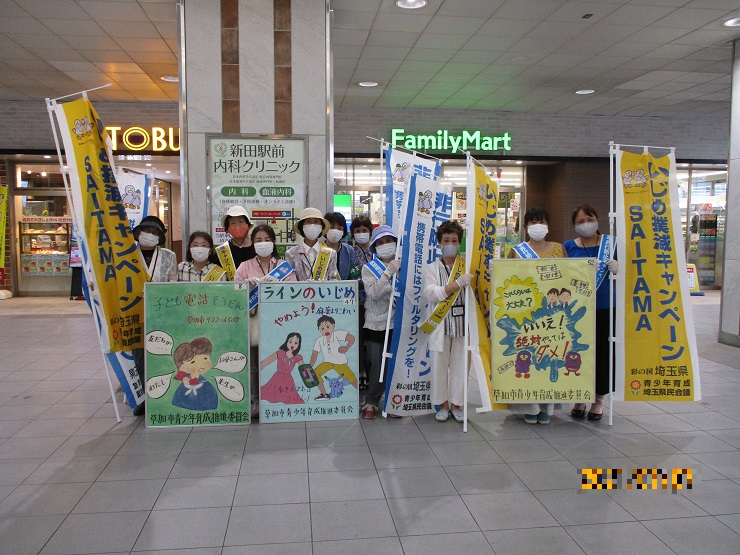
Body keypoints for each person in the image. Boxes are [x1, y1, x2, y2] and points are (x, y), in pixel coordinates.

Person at [507, 207, 567, 424]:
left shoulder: (560, 249)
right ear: (524, 226)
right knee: (529, 360)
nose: (537, 226)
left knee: (551, 357)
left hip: (554, 316)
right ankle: (530, 407)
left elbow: (570, 277)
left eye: (541, 221)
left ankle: (547, 408)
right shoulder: (517, 251)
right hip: (527, 315)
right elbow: (510, 282)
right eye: (532, 222)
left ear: (548, 225)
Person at [233, 224, 297, 418]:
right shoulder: (245, 266)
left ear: (273, 242)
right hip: (253, 323)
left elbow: (294, 291)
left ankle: (275, 400)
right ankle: (255, 401)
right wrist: (246, 286)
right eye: (258, 240)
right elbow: (235, 292)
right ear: (252, 243)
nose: (263, 244)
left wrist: (279, 287)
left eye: (266, 240)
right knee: (254, 365)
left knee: (277, 364)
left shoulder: (283, 266)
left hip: (278, 323)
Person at [564, 203, 618, 421]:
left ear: (597, 219)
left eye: (589, 219)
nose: (585, 224)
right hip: (577, 310)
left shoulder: (611, 244)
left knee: (603, 354)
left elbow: (631, 273)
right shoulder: (568, 246)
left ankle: (598, 400)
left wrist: (618, 268)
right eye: (580, 221)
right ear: (574, 225)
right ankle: (580, 396)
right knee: (578, 353)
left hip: (605, 307)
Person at [423, 220, 473, 423]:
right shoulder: (431, 268)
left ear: (460, 242)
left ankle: (457, 404)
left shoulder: (467, 265)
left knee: (461, 367)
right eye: (446, 240)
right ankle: (442, 404)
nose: (450, 243)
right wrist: (455, 285)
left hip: (463, 324)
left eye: (454, 240)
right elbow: (432, 293)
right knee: (439, 367)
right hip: (440, 324)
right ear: (439, 243)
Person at [131, 215, 176, 416]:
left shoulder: (168, 256)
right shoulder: (128, 255)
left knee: (162, 355)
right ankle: (144, 398)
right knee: (139, 357)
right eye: (146, 231)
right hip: (134, 311)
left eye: (154, 232)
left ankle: (162, 395)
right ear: (138, 233)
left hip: (161, 313)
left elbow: (173, 283)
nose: (150, 235)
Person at [360, 225, 401, 419]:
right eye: (381, 243)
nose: (386, 245)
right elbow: (373, 293)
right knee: (376, 364)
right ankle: (372, 400)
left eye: (389, 241)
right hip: (377, 323)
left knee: (395, 363)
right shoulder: (369, 268)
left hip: (399, 322)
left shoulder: (405, 265)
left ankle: (394, 399)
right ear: (375, 247)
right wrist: (387, 274)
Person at [350, 215, 374, 389]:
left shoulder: (379, 250)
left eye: (364, 230)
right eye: (357, 231)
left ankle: (374, 374)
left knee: (373, 341)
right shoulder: (350, 252)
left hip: (377, 304)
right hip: (357, 303)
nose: (361, 234)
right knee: (358, 339)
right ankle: (361, 374)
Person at [309, 315, 357, 400]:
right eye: (322, 328)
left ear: (333, 325)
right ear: (319, 330)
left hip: (339, 362)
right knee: (315, 373)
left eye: (328, 326)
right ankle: (324, 394)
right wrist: (310, 366)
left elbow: (352, 338)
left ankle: (357, 393)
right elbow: (314, 354)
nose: (325, 330)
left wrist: (346, 347)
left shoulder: (337, 334)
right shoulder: (319, 340)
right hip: (328, 362)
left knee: (351, 377)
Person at [285, 207, 338, 281]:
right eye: (308, 222)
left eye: (316, 222)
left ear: (321, 227)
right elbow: (289, 281)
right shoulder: (291, 254)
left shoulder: (331, 253)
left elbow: (334, 280)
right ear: (302, 227)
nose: (312, 225)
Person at [260, 332, 305, 405]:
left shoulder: (298, 356)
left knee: (291, 398)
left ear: (299, 345)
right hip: (277, 377)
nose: (292, 345)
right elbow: (266, 362)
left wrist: (311, 379)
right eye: (290, 342)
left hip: (288, 380)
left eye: (296, 343)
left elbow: (304, 370)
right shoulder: (280, 352)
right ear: (286, 341)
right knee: (268, 392)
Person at [216, 206, 255, 280]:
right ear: (227, 229)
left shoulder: (257, 246)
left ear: (248, 225)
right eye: (233, 223)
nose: (237, 226)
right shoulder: (223, 251)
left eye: (241, 222)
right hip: (231, 290)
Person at [324, 212, 357, 280]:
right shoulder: (318, 249)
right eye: (332, 227)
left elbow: (353, 276)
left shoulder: (349, 250)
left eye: (339, 229)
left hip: (344, 289)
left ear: (343, 231)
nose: (335, 231)